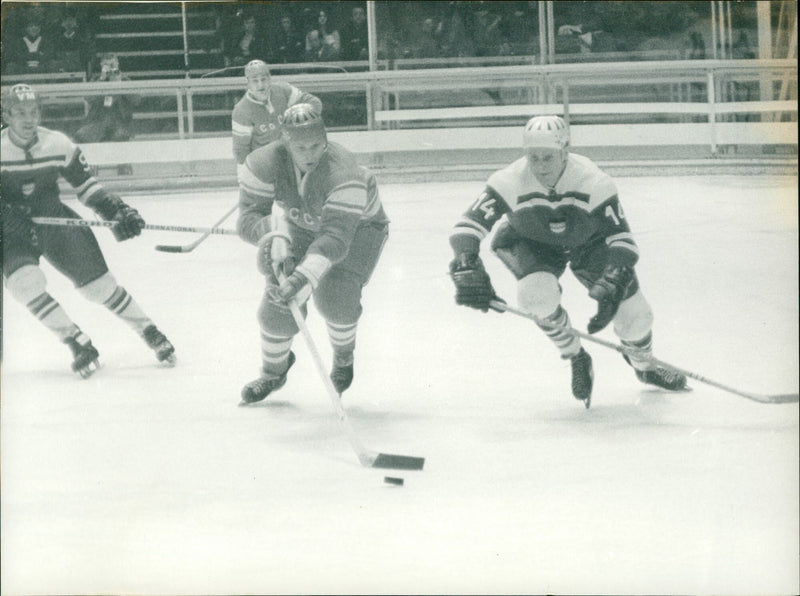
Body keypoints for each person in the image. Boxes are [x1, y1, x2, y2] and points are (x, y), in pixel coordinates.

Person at [448, 115, 686, 406]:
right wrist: (465, 262)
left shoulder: (594, 181)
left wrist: (615, 275)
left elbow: (622, 239)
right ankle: (576, 355)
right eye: (533, 157)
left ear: (565, 152)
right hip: (532, 241)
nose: (540, 166)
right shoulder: (508, 180)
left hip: (590, 242)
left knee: (636, 319)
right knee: (535, 298)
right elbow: (466, 227)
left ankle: (646, 367)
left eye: (548, 157)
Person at [1, 84, 175, 378]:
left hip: (55, 221)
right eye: (20, 113)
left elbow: (86, 186)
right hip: (13, 231)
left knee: (99, 287)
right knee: (24, 284)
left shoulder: (58, 143)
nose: (28, 119)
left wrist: (115, 210)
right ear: (6, 115)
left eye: (34, 112)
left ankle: (149, 330)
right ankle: (76, 341)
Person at [236, 103, 389, 404]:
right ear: (284, 141)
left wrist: (304, 277)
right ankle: (272, 373)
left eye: (316, 145)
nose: (308, 153)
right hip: (301, 227)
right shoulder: (263, 162)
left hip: (358, 231)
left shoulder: (345, 173)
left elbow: (335, 239)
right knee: (277, 306)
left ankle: (343, 359)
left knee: (336, 299)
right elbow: (247, 219)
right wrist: (272, 232)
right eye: (300, 146)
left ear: (326, 139)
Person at [231, 59, 322, 176]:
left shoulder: (283, 90)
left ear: (270, 79)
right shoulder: (241, 111)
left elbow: (315, 104)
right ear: (248, 83)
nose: (260, 85)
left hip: (293, 159)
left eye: (263, 79)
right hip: (264, 166)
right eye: (255, 81)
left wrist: (297, 121)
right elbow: (240, 153)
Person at [74, 54, 139, 143]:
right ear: (101, 66)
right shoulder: (96, 80)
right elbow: (88, 98)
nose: (110, 69)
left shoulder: (125, 80)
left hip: (120, 122)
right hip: (98, 122)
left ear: (117, 64)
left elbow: (136, 100)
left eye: (112, 65)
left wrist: (120, 84)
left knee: (119, 137)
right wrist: (101, 80)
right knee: (81, 135)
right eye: (107, 66)